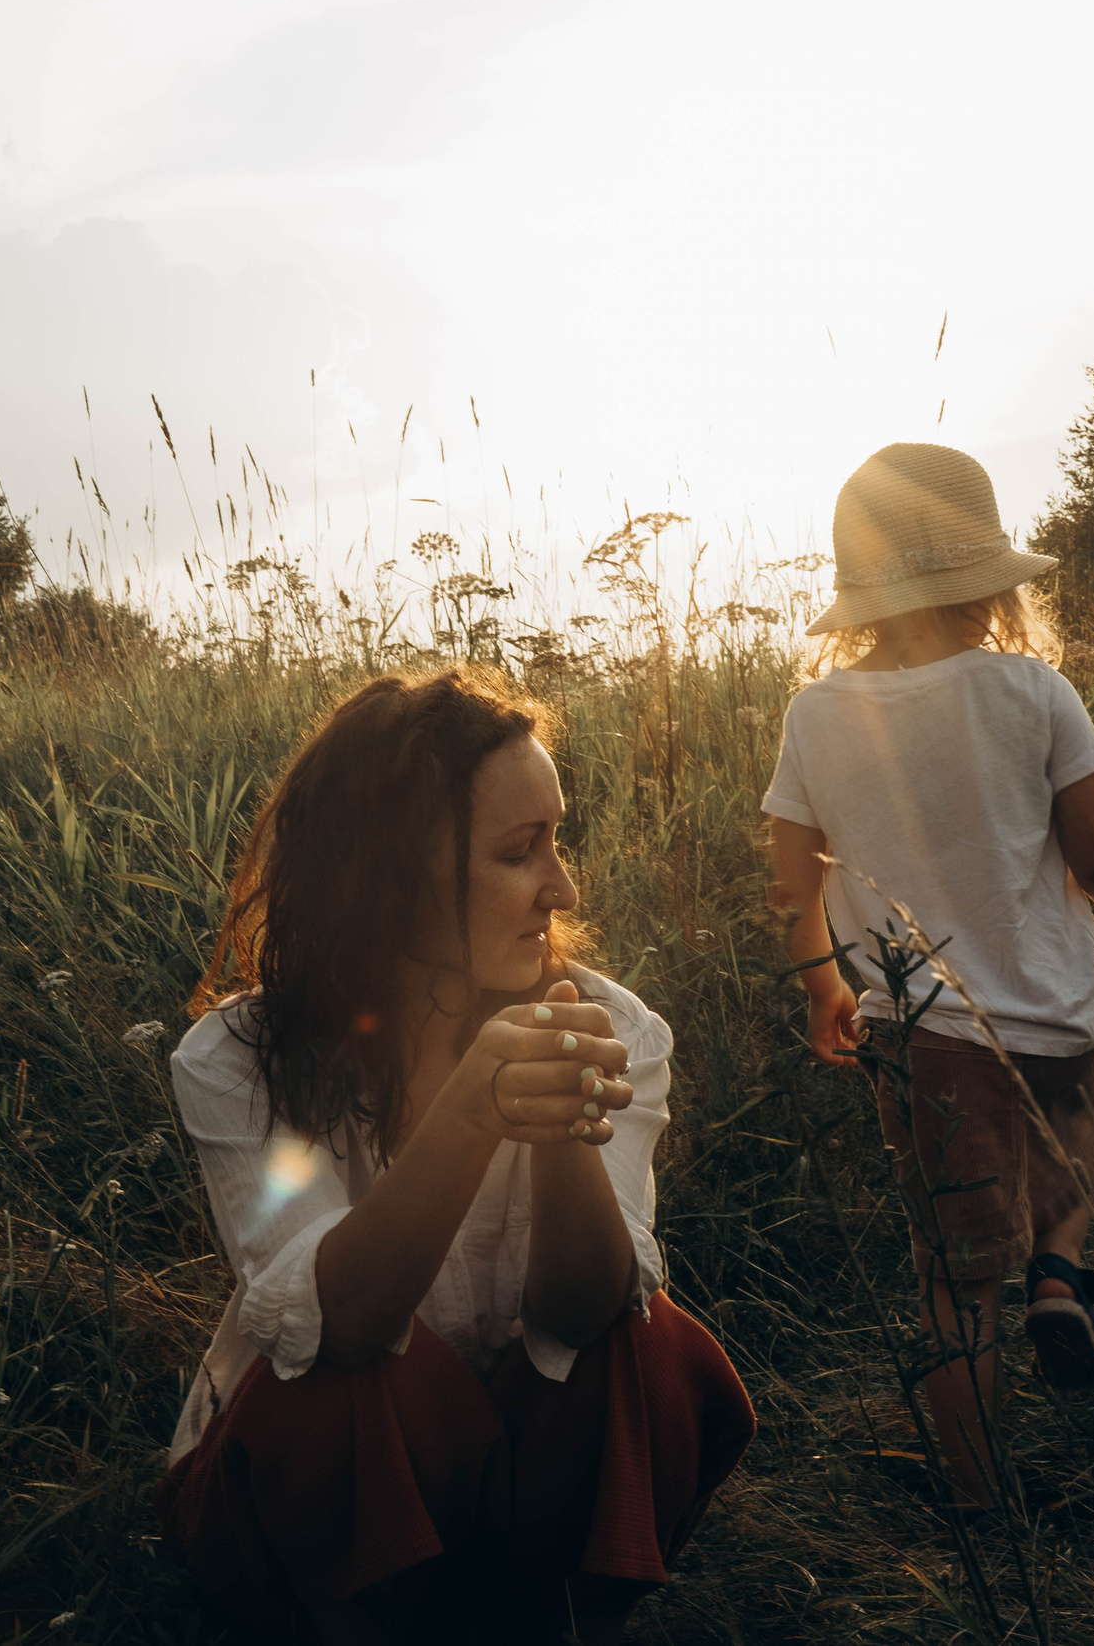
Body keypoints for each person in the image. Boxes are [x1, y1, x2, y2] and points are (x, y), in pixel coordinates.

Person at [159, 666, 754, 1644]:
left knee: (646, 1346)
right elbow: (335, 1323)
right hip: (317, 1486)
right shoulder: (235, 1058)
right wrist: (471, 1111)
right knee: (346, 1367)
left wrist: (560, 1116)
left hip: (520, 1449)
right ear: (390, 879)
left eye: (555, 842)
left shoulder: (615, 1026)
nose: (561, 888)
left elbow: (585, 1315)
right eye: (522, 852)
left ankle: (554, 1618)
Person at [761, 443, 1094, 1511]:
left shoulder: (818, 714)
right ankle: (1058, 1268)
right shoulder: (1031, 690)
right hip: (1056, 1010)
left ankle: (976, 1494)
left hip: (923, 1027)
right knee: (1075, 1144)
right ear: (990, 578)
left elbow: (791, 888)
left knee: (953, 1281)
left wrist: (825, 987)